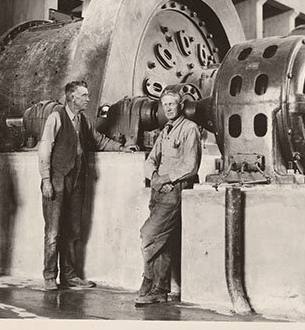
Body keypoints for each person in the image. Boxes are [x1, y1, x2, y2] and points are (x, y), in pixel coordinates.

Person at [38, 80, 139, 291]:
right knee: (53, 232)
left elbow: (99, 140)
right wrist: (46, 180)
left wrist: (121, 148)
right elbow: (44, 150)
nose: (88, 99)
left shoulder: (83, 120)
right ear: (72, 97)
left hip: (77, 179)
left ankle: (70, 276)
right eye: (84, 95)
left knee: (73, 231)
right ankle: (49, 277)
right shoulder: (55, 117)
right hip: (56, 180)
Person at [135, 85, 201, 305]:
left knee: (148, 235)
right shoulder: (166, 130)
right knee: (163, 242)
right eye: (165, 105)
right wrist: (153, 176)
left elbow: (190, 166)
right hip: (158, 192)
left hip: (175, 192)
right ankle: (160, 291)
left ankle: (148, 280)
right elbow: (151, 159)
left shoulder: (189, 129)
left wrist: (164, 180)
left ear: (180, 105)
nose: (169, 108)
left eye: (172, 104)